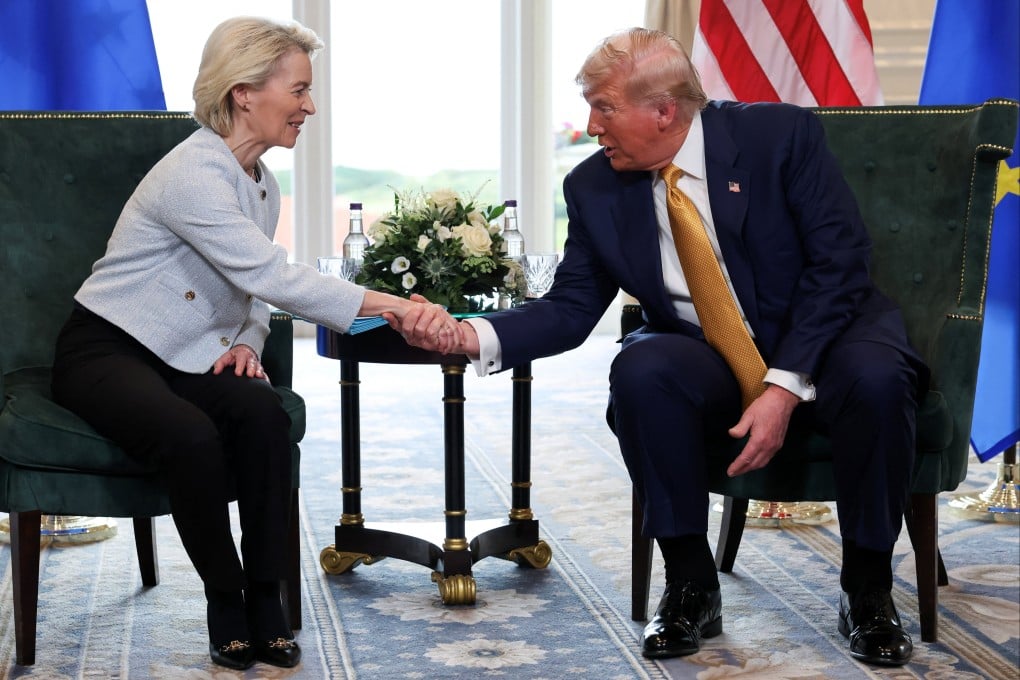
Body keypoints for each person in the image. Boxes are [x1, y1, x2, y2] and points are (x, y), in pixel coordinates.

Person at [402, 27, 924, 667]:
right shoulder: (595, 187)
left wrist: (783, 386)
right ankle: (690, 586)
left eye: (604, 107)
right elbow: (571, 309)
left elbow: (839, 266)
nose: (591, 125)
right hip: (703, 349)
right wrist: (468, 335)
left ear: (664, 110)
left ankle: (867, 591)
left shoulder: (778, 138)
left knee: (876, 378)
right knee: (644, 369)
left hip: (825, 334)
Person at [50, 16, 459, 671]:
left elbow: (252, 290)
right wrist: (395, 309)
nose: (310, 106)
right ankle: (226, 600)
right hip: (107, 349)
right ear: (244, 92)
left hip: (188, 354)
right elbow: (270, 273)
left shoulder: (261, 183)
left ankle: (269, 598)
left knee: (263, 414)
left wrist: (247, 338)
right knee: (189, 436)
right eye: (297, 89)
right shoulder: (194, 171)